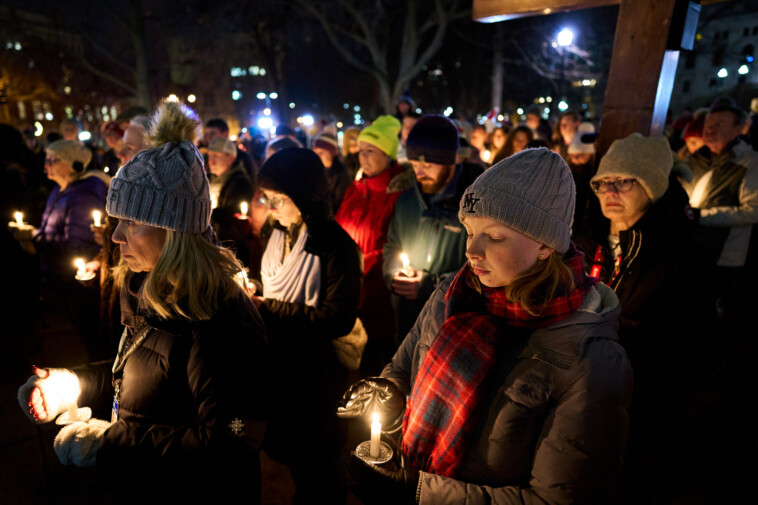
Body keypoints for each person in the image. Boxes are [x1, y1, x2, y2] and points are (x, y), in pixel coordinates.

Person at [338, 148, 632, 505]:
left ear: (544, 244)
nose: (471, 251)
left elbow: (557, 499)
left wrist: (419, 491)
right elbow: (404, 367)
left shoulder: (589, 360)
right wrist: (391, 392)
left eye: (494, 237)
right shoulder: (452, 293)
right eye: (469, 231)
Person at [16, 102, 269, 504]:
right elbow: (141, 371)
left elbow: (230, 442)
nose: (116, 237)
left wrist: (112, 441)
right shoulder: (149, 286)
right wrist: (72, 385)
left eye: (131, 223)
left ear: (174, 231)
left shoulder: (220, 317)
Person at [574, 133, 706, 503]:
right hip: (580, 389)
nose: (609, 190)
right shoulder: (582, 244)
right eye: (602, 182)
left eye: (624, 181)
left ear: (652, 186)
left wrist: (611, 330)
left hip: (643, 400)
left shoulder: (678, 255)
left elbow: (689, 341)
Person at [252, 148, 361, 504]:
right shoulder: (278, 235)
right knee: (296, 462)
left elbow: (339, 318)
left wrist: (269, 308)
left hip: (316, 377)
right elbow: (273, 284)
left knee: (321, 470)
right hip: (280, 369)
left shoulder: (335, 245)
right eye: (267, 198)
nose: (271, 207)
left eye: (279, 199)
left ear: (305, 196)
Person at [383, 115, 482, 351]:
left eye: (427, 165)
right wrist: (393, 277)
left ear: (449, 161)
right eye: (415, 164)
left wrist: (428, 285)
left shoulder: (475, 206)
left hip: (453, 329)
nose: (420, 172)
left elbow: (479, 268)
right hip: (408, 323)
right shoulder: (406, 202)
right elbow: (392, 246)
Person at [335, 115, 414, 375]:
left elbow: (397, 242)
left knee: (382, 359)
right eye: (360, 151)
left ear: (388, 155)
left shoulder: (399, 194)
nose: (363, 157)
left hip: (379, 291)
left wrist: (363, 263)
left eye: (371, 151)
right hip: (349, 287)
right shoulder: (355, 190)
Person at [207, 136, 257, 267]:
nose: (211, 161)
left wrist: (201, 214)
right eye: (210, 155)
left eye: (216, 156)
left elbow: (231, 214)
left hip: (230, 247)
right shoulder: (209, 179)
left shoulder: (240, 182)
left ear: (231, 158)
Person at [312, 132, 352, 212]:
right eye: (315, 152)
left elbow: (339, 202)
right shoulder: (313, 171)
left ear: (332, 153)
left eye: (321, 152)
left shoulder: (341, 174)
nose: (317, 156)